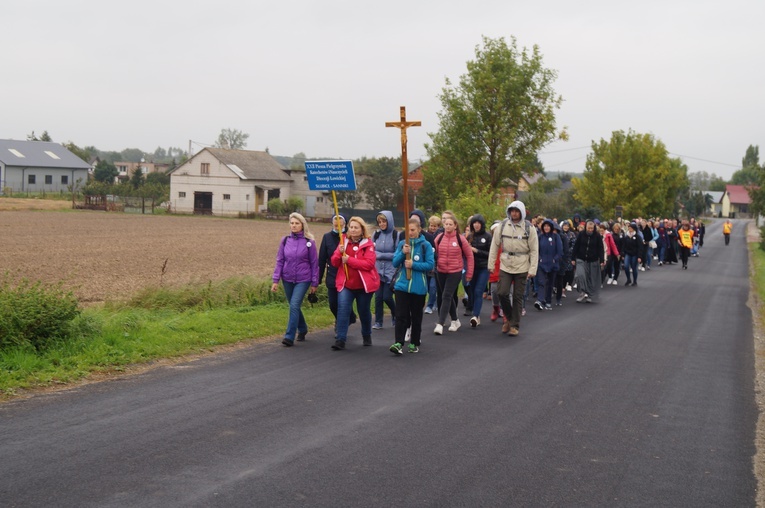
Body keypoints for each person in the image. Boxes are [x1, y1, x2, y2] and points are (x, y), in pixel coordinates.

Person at [488, 201, 538, 336]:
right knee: (502, 292)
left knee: (517, 296)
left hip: (522, 265)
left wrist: (533, 269)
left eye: (517, 211)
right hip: (506, 264)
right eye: (512, 211)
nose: (514, 213)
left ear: (521, 212)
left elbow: (534, 250)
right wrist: (491, 264)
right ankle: (509, 318)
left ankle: (514, 325)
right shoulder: (503, 226)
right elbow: (495, 245)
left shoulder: (529, 228)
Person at [330, 217, 380, 350]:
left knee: (363, 311)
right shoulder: (343, 241)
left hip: (363, 286)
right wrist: (339, 254)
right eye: (351, 227)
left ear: (362, 230)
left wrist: (349, 260)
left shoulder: (368, 244)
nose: (352, 230)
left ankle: (366, 334)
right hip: (346, 284)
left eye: (356, 227)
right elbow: (334, 263)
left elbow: (368, 264)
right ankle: (340, 339)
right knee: (343, 310)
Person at [271, 212, 319, 347]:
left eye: (297, 223)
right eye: (292, 223)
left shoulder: (309, 242)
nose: (294, 225)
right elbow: (280, 260)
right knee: (294, 306)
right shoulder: (285, 240)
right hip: (287, 278)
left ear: (302, 225)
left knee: (294, 305)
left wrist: (314, 282)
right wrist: (275, 280)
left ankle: (289, 336)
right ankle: (303, 328)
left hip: (303, 279)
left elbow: (314, 263)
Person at [389, 217, 435, 355]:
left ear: (419, 229)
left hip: (418, 287)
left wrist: (413, 265)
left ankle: (414, 342)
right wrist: (403, 253)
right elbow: (395, 263)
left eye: (413, 230)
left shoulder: (425, 245)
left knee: (416, 317)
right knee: (401, 315)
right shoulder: (402, 244)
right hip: (402, 285)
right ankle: (398, 343)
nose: (411, 233)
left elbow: (430, 265)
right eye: (408, 230)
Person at [433, 211, 474, 335]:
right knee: (448, 296)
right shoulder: (439, 238)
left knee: (446, 295)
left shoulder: (460, 239)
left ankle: (440, 324)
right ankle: (455, 320)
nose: (448, 226)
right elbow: (436, 253)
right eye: (446, 224)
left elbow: (469, 256)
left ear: (455, 226)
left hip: (455, 271)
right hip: (441, 271)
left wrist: (469, 273)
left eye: (451, 224)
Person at [318, 214, 356, 335]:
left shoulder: (349, 237)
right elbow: (322, 259)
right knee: (333, 304)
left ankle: (340, 325)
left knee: (343, 303)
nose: (337, 225)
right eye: (335, 223)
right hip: (332, 275)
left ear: (345, 224)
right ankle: (349, 316)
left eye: (340, 223)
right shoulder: (327, 237)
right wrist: (317, 279)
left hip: (346, 274)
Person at [372, 211, 398, 330]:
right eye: (380, 222)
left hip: (390, 272)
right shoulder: (376, 234)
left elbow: (397, 254)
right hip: (378, 271)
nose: (382, 224)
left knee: (387, 297)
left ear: (389, 221)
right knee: (378, 298)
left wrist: (381, 255)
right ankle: (378, 322)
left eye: (384, 221)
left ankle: (396, 314)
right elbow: (372, 252)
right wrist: (377, 255)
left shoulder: (396, 235)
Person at [468, 214, 492, 326]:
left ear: (482, 224)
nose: (476, 225)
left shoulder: (487, 237)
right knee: (472, 291)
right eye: (474, 223)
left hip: (483, 267)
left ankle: (475, 315)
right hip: (472, 267)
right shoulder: (470, 236)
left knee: (478, 291)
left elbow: (490, 254)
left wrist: (477, 251)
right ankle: (475, 312)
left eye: (478, 223)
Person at [572, 220, 605, 302]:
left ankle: (590, 295)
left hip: (592, 260)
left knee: (591, 278)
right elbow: (576, 246)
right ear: (585, 227)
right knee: (580, 275)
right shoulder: (581, 234)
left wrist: (601, 260)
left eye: (591, 228)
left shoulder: (597, 236)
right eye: (588, 228)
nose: (590, 230)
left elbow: (600, 248)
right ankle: (582, 292)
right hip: (581, 258)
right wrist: (573, 258)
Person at [534, 219, 562, 311]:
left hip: (552, 264)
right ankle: (540, 300)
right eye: (545, 226)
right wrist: (539, 258)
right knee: (541, 282)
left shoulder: (556, 237)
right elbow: (536, 249)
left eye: (548, 226)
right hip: (542, 264)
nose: (546, 228)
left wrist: (555, 259)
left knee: (550, 283)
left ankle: (548, 301)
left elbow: (560, 250)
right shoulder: (540, 237)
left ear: (551, 227)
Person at [621, 222, 642, 286]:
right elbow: (623, 245)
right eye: (629, 228)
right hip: (628, 253)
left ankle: (635, 281)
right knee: (626, 266)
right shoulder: (626, 236)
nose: (629, 229)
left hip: (635, 254)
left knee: (633, 268)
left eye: (631, 228)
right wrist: (623, 254)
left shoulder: (637, 237)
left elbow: (640, 247)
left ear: (634, 229)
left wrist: (639, 256)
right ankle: (628, 279)